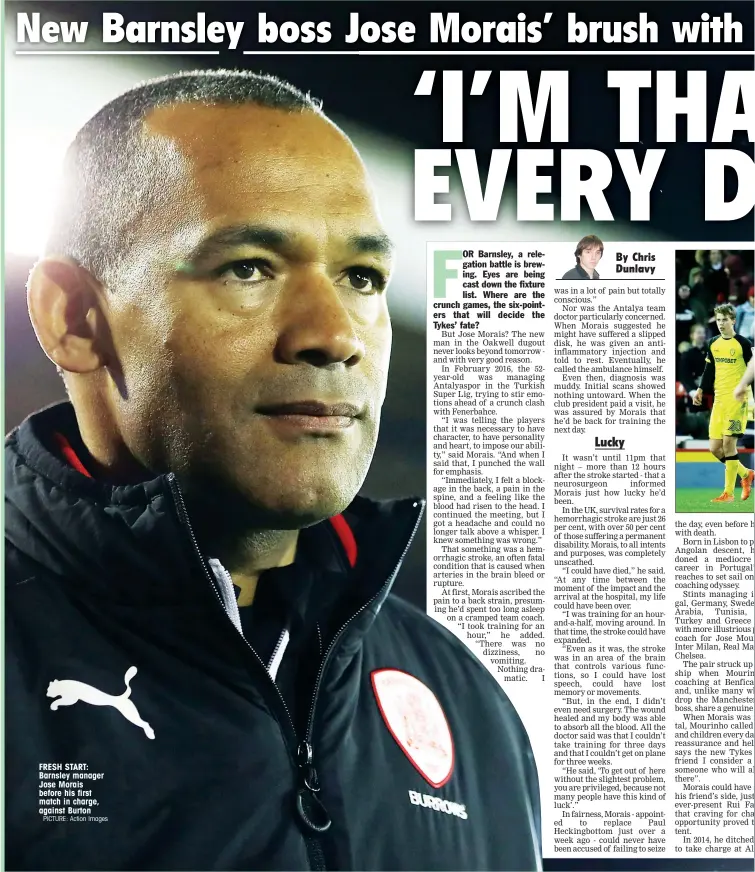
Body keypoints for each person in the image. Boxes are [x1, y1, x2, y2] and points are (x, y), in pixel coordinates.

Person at [6, 71, 541, 872]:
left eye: (361, 278)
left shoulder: (466, 702)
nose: (334, 333)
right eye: (249, 267)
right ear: (74, 318)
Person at [693, 304, 754, 502]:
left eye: (724, 320)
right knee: (715, 449)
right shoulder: (713, 343)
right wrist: (701, 390)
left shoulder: (744, 344)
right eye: (718, 320)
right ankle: (746, 474)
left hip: (738, 401)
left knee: (729, 445)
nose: (721, 323)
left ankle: (728, 493)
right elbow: (709, 370)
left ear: (733, 321)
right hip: (719, 401)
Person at [679, 324, 708, 395]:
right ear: (692, 335)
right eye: (699, 333)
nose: (702, 335)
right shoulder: (687, 353)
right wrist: (691, 390)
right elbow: (684, 375)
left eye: (703, 333)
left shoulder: (710, 351)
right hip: (693, 390)